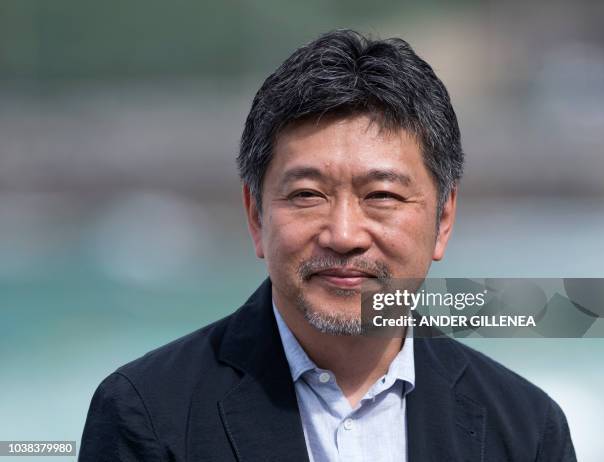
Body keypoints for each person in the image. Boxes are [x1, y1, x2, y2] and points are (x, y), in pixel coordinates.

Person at [79, 29, 576, 461]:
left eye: (381, 195)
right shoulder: (145, 412)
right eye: (307, 195)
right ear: (255, 215)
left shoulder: (527, 429)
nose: (343, 234)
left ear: (443, 219)